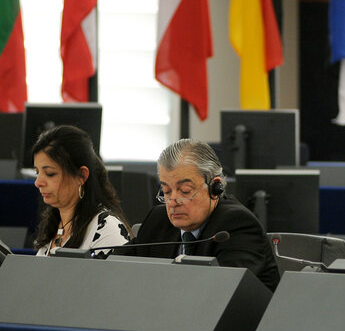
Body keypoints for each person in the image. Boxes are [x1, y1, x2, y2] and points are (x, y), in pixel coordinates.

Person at [119, 138, 280, 292]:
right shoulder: (158, 220)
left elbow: (225, 291)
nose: (173, 201)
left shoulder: (238, 226)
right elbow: (117, 266)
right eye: (166, 191)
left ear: (215, 188)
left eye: (185, 191)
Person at [32, 125, 131, 256]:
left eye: (50, 173)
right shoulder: (54, 225)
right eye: (37, 172)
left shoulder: (107, 230)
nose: (38, 182)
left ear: (81, 175)